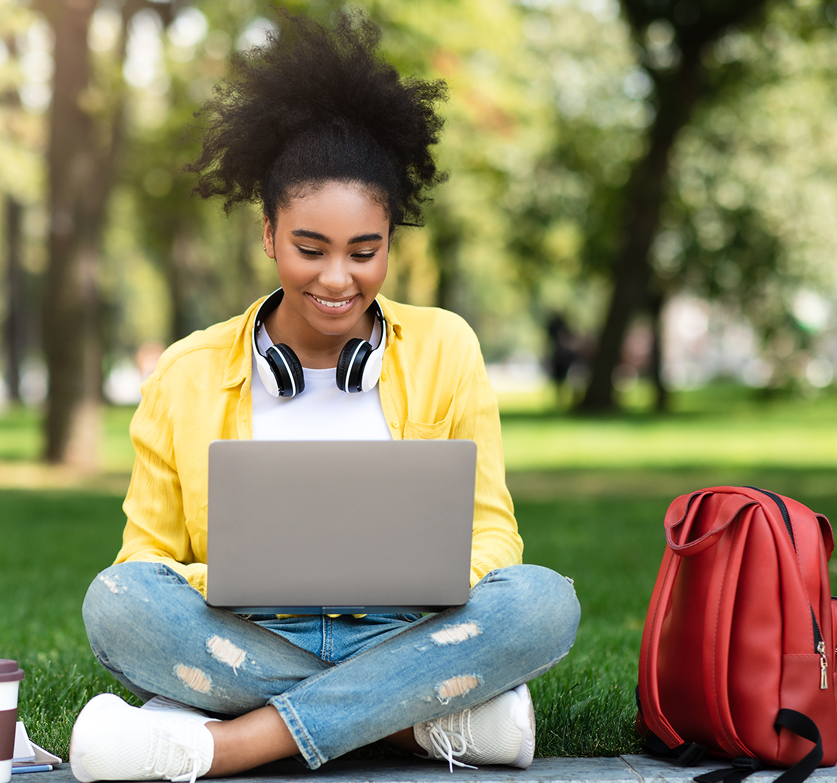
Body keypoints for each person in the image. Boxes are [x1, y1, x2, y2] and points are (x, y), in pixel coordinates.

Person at [70, 11, 580, 782]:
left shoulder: (447, 348)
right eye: (310, 248)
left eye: (363, 252)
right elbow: (146, 560)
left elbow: (494, 539)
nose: (337, 279)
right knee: (117, 603)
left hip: (402, 625)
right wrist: (241, 580)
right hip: (254, 628)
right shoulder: (185, 371)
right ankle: (417, 725)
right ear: (269, 233)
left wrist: (419, 585)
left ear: (390, 244)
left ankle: (223, 743)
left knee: (545, 601)